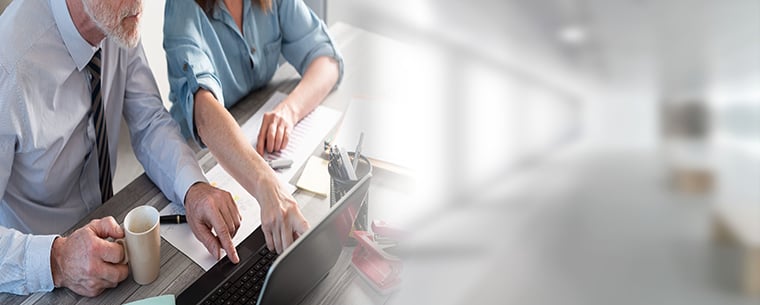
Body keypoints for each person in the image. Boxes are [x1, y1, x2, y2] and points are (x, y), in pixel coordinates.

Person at [0, 0, 243, 297]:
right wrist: (57, 260)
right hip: (32, 277)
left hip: (110, 245)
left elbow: (150, 123)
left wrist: (194, 189)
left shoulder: (117, 21)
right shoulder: (8, 64)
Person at [162, 0, 341, 253]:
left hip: (251, 120)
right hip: (197, 154)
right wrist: (266, 183)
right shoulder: (182, 7)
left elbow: (327, 59)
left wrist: (289, 111)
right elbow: (202, 111)